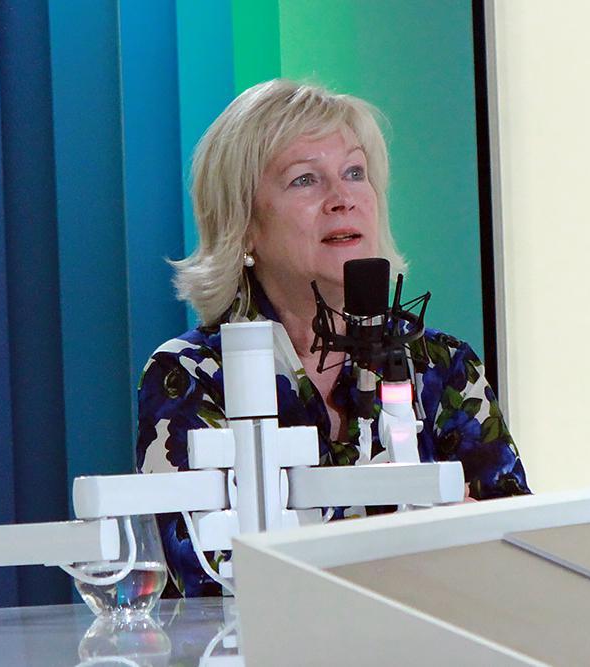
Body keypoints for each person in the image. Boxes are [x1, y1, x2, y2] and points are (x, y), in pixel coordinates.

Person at [136, 79, 530, 597]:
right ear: (244, 225)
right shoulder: (191, 375)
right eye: (305, 180)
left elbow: (520, 555)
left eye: (354, 173)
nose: (343, 199)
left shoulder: (439, 363)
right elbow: (206, 582)